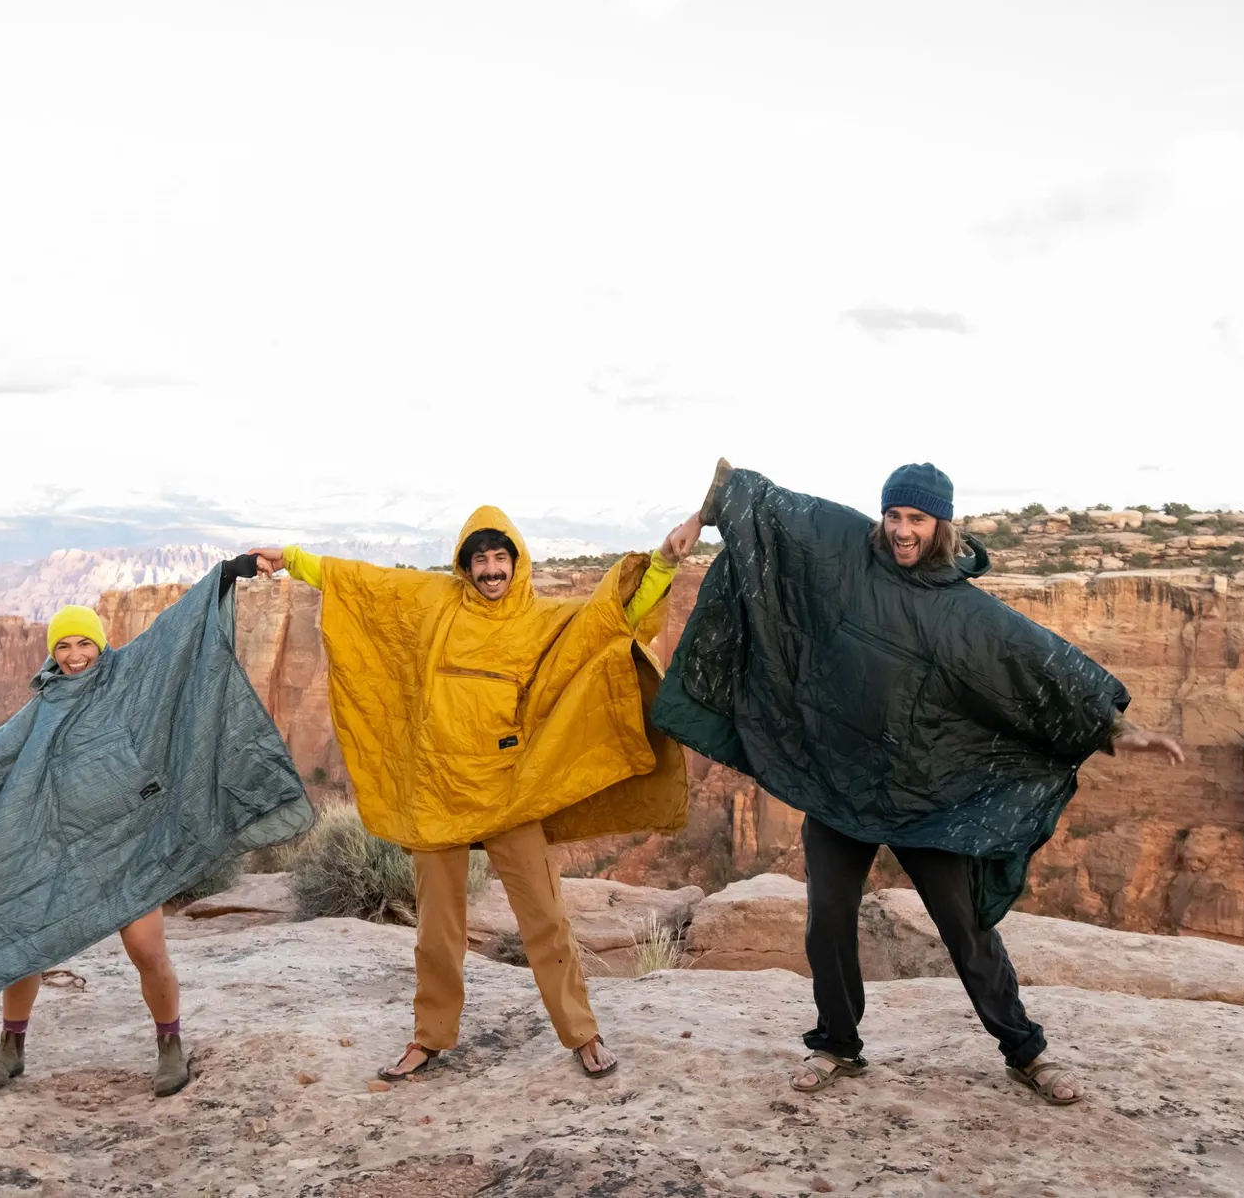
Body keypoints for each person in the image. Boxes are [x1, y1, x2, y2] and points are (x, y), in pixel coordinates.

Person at [654, 461, 1185, 1106]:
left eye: (917, 519)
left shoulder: (967, 612)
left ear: (942, 525)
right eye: (894, 515)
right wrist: (697, 520)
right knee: (828, 919)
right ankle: (837, 1044)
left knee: (963, 924)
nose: (902, 530)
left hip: (926, 794)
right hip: (839, 781)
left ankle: (1026, 1052)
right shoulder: (846, 549)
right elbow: (757, 499)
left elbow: (1041, 668)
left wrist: (1117, 730)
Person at [250, 505, 697, 1082]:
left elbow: (614, 615)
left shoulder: (540, 619)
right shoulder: (435, 603)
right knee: (437, 929)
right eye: (480, 559)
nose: (490, 570)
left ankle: (583, 1033)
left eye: (499, 558)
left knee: (546, 919)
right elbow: (361, 583)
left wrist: (663, 562)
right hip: (440, 790)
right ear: (466, 565)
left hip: (510, 792)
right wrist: (291, 559)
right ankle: (429, 1037)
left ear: (516, 561)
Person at [0, 555, 313, 1097]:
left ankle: (169, 1044)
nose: (74, 656)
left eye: (84, 643)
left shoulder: (130, 676)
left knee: (148, 950)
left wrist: (233, 570)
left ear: (100, 644)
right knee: (22, 939)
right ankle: (11, 1048)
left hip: (130, 845)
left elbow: (178, 630)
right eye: (63, 646)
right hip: (64, 850)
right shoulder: (45, 705)